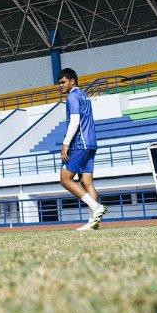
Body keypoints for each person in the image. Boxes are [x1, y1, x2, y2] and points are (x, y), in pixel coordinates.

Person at [56, 69, 106, 231]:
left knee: (65, 179)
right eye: (59, 83)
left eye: (63, 82)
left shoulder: (72, 96)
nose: (61, 86)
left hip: (80, 143)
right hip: (91, 142)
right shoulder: (84, 95)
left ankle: (96, 207)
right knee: (87, 182)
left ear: (72, 81)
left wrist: (65, 144)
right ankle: (94, 222)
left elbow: (75, 120)